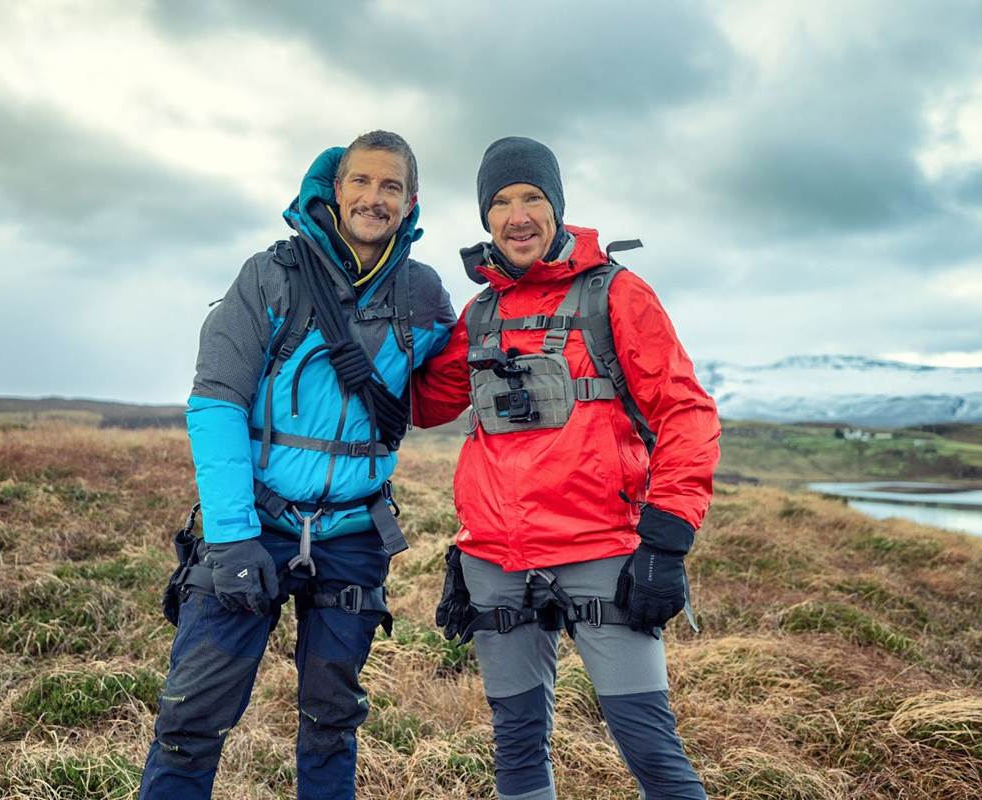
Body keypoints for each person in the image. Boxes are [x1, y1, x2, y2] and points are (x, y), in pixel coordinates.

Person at [139, 131, 456, 800]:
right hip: (254, 524)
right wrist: (231, 537)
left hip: (354, 534)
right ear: (336, 190)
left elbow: (445, 387)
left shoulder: (424, 295)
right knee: (191, 718)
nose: (374, 197)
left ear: (411, 202)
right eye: (361, 181)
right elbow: (216, 403)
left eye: (391, 186)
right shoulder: (270, 275)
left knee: (332, 721)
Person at [414, 136, 719, 800]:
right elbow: (427, 403)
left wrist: (666, 540)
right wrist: (385, 333)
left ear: (556, 206)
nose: (517, 216)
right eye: (500, 203)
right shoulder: (482, 312)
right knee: (517, 746)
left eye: (532, 198)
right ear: (485, 217)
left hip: (601, 552)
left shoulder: (616, 295)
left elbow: (686, 413)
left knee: (650, 748)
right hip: (496, 560)